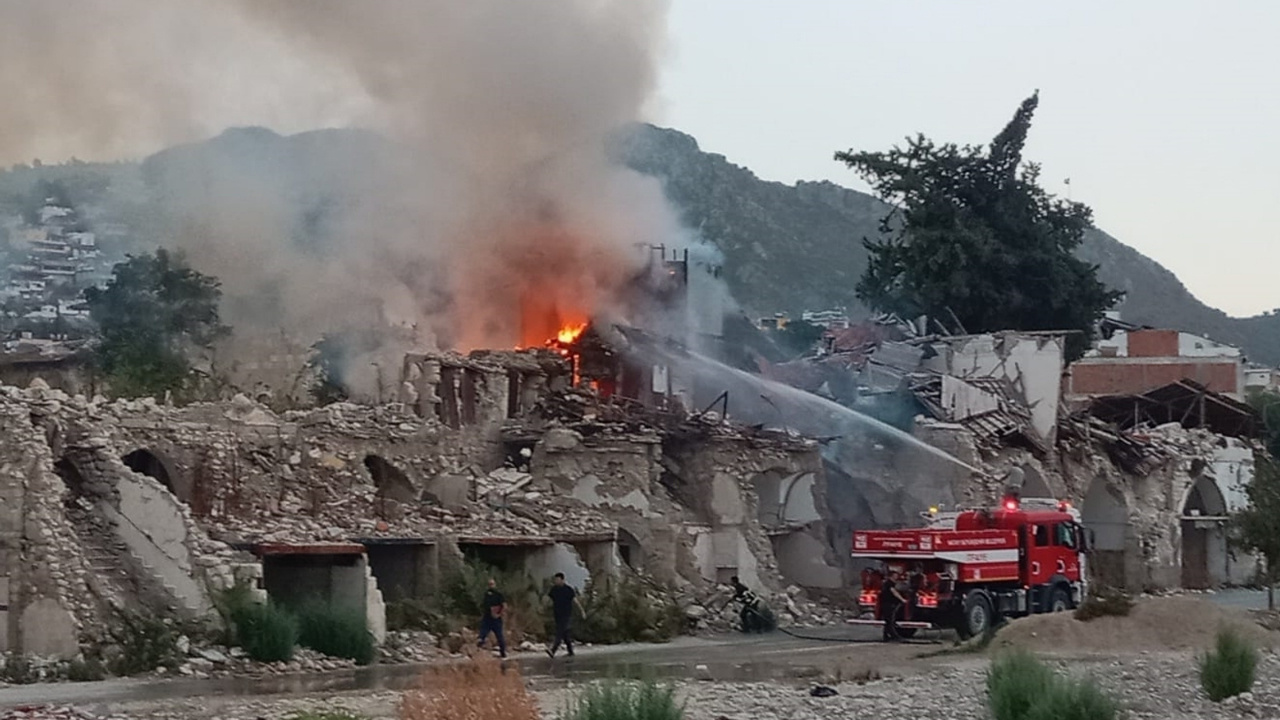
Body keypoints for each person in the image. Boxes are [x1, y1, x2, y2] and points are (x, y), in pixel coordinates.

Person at [546, 572, 585, 658]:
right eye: (555, 580)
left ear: (562, 580)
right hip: (557, 614)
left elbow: (575, 601)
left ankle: (553, 650)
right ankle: (570, 651)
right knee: (565, 633)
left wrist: (582, 611)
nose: (556, 581)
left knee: (560, 632)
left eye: (558, 580)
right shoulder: (554, 589)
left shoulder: (568, 590)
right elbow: (548, 601)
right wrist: (543, 609)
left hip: (567, 614)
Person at [477, 578, 507, 658]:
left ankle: (503, 652)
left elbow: (504, 606)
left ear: (495, 584)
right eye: (489, 584)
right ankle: (477, 652)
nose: (491, 586)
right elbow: (484, 605)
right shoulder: (486, 594)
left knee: (499, 636)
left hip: (496, 619)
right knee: (482, 634)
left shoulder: (498, 594)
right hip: (487, 618)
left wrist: (499, 614)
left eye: (492, 584)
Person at [879, 570, 908, 642]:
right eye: (896, 575)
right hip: (889, 604)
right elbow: (894, 592)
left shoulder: (888, 583)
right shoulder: (889, 584)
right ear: (891, 576)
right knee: (890, 621)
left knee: (888, 621)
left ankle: (886, 636)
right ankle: (894, 636)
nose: (897, 577)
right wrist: (902, 599)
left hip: (886, 604)